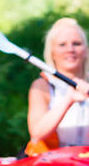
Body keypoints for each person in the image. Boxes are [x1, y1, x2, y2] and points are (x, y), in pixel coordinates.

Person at [26, 17, 89, 155]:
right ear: (52, 52)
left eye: (76, 43)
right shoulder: (41, 86)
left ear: (85, 50)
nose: (70, 49)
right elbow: (37, 134)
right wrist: (69, 99)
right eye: (62, 45)